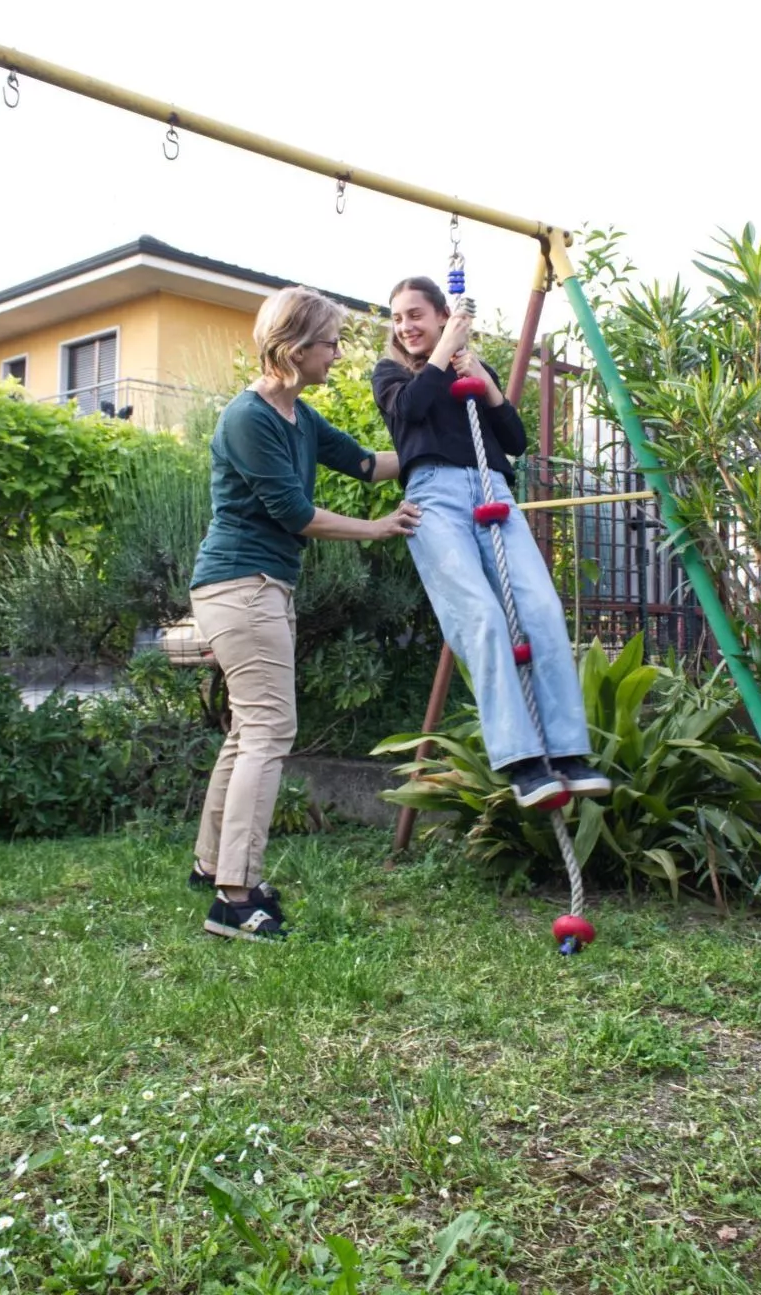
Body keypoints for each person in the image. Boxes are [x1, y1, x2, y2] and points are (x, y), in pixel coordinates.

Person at [189, 286, 420, 941]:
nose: (339, 355)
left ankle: (212, 866)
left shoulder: (300, 417)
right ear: (293, 347)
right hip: (240, 585)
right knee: (269, 731)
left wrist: (443, 453)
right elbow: (295, 513)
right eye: (330, 342)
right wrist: (378, 531)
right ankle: (235, 897)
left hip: (264, 586)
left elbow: (369, 465)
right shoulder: (249, 417)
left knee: (248, 732)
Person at [371, 276, 611, 807]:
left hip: (491, 486)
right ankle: (523, 762)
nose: (406, 326)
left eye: (416, 315)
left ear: (440, 314)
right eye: (398, 318)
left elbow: (516, 442)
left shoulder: (467, 368)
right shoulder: (390, 373)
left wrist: (485, 380)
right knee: (480, 616)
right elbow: (410, 411)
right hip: (433, 497)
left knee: (542, 608)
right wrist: (446, 350)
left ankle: (569, 752)